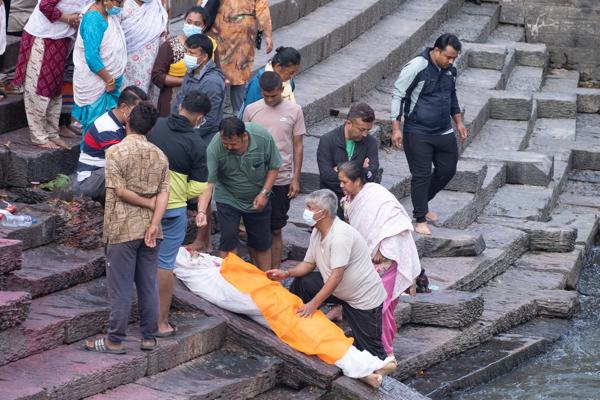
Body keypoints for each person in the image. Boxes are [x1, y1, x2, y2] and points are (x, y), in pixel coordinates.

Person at [84, 102, 169, 354]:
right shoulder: (159, 155)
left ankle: (114, 340)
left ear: (127, 121)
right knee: (147, 284)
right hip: (151, 230)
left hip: (121, 228)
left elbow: (119, 191)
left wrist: (145, 202)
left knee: (120, 288)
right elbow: (164, 194)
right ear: (151, 128)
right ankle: (149, 337)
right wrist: (154, 222)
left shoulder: (116, 153)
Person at [266, 189, 388, 360]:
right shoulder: (317, 230)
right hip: (338, 290)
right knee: (303, 282)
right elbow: (308, 264)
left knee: (370, 350)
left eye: (309, 207)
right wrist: (286, 273)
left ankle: (380, 374)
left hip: (362, 298)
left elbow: (336, 276)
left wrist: (313, 305)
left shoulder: (340, 236)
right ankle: (294, 323)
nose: (305, 212)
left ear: (322, 213)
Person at [338, 161, 421, 358]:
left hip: (387, 262)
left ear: (357, 181)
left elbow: (398, 223)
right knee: (371, 307)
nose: (341, 186)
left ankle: (385, 352)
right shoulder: (348, 200)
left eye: (344, 182)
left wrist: (384, 250)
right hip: (366, 261)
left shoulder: (378, 196)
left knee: (381, 308)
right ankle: (374, 350)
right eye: (340, 182)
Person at [390, 33, 468, 235]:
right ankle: (420, 218)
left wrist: (458, 121)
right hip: (418, 130)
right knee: (422, 174)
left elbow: (452, 95)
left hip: (443, 129)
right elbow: (399, 94)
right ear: (436, 51)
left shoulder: (451, 70)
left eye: (454, 58)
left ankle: (423, 202)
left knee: (447, 170)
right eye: (448, 57)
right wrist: (396, 127)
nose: (451, 61)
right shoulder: (417, 66)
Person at [147, 91, 211, 337]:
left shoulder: (156, 125)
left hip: (143, 204)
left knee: (138, 258)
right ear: (199, 117)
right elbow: (198, 187)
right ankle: (160, 322)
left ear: (181, 105)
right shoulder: (196, 143)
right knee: (164, 264)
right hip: (172, 209)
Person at [196, 117, 282, 271]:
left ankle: (265, 279)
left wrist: (264, 193)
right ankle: (230, 280)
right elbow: (208, 184)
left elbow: (274, 166)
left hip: (258, 195)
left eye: (233, 144)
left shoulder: (262, 137)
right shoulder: (215, 147)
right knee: (228, 238)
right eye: (225, 143)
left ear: (244, 136)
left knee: (261, 242)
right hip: (228, 196)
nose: (228, 147)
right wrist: (201, 211)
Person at [243, 71, 305, 269]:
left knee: (276, 229)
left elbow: (298, 145)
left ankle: (275, 273)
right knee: (254, 228)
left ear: (282, 90)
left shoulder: (294, 111)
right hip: (255, 179)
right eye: (265, 95)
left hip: (282, 179)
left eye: (274, 95)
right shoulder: (251, 110)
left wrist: (295, 178)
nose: (269, 100)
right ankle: (258, 272)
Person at [9, 0, 87, 147]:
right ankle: (39, 136)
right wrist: (69, 19)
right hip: (43, 36)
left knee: (54, 89)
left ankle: (52, 132)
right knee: (39, 88)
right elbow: (45, 6)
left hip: (62, 37)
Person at [75, 85, 147, 201]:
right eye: (137, 111)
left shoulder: (120, 121)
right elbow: (121, 161)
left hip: (102, 172)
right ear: (124, 107)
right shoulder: (107, 127)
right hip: (91, 180)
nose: (139, 115)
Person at [316, 102, 380, 219]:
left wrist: (339, 169)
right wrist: (361, 170)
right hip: (332, 201)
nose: (365, 134)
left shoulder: (370, 142)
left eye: (368, 130)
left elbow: (372, 173)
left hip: (359, 200)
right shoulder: (327, 140)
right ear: (349, 123)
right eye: (361, 130)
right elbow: (326, 176)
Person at [72, 0, 127, 134]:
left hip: (108, 82)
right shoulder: (93, 19)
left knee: (108, 127)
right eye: (118, 2)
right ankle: (90, 154)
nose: (120, 6)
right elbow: (92, 57)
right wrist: (109, 80)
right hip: (98, 83)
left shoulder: (108, 14)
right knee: (95, 128)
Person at [210, 0, 273, 116]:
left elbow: (203, 4)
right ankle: (237, 113)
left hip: (220, 30)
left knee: (219, 72)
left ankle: (216, 113)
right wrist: (267, 34)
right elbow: (262, 8)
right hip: (241, 35)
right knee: (239, 74)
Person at [151, 6, 207, 117]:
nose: (192, 26)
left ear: (204, 27)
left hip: (200, 100)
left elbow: (216, 70)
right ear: (184, 21)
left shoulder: (209, 46)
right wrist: (184, 81)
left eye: (197, 24)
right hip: (172, 100)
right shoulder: (170, 45)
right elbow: (157, 75)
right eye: (189, 22)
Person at [172, 33, 224, 144]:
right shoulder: (191, 71)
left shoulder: (212, 82)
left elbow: (209, 120)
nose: (186, 55)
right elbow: (180, 99)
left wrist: (185, 136)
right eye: (186, 51)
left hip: (200, 140)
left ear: (204, 57)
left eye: (191, 53)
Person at [120, 0, 167, 92]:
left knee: (146, 97)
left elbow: (163, 34)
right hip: (127, 64)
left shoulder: (156, 6)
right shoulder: (123, 5)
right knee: (128, 96)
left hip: (151, 62)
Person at [241, 46, 301, 113]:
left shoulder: (288, 82)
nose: (292, 76)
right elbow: (249, 112)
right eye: (291, 72)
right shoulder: (257, 84)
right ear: (278, 67)